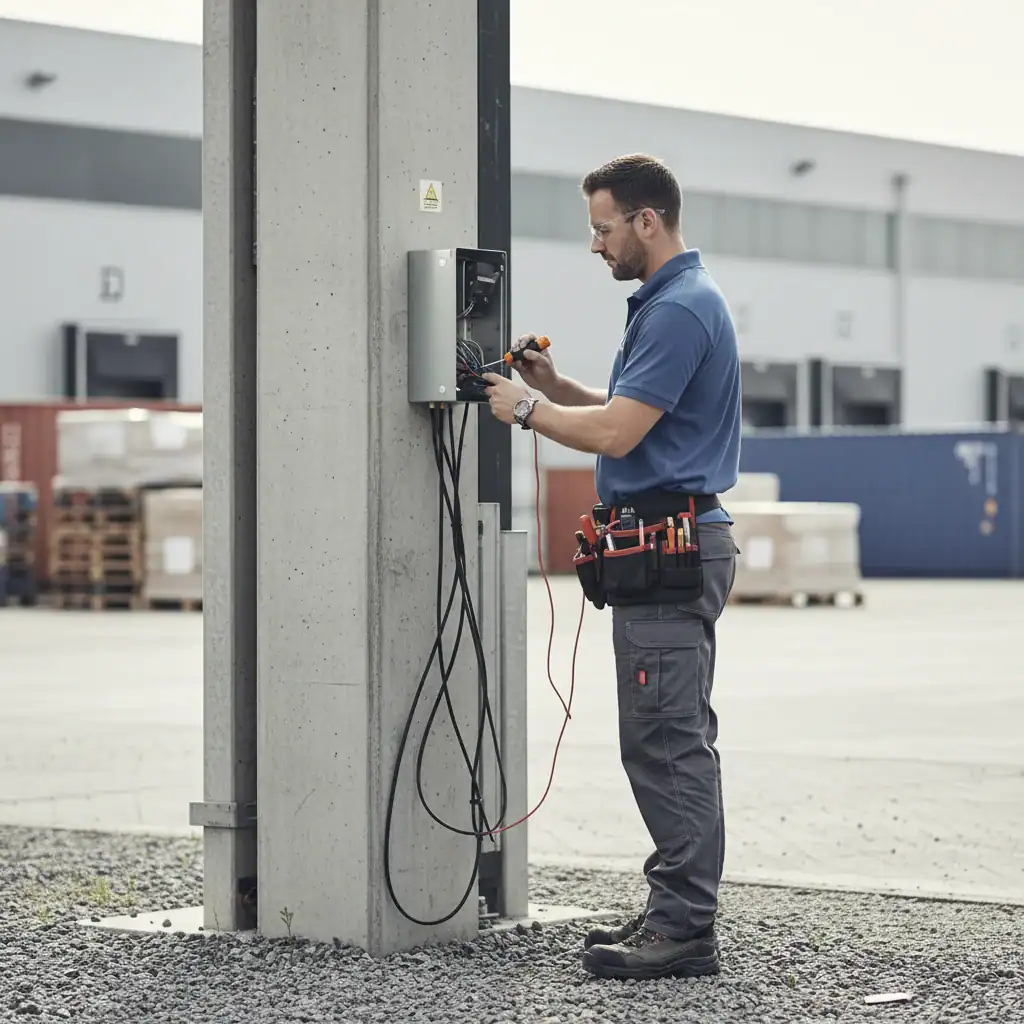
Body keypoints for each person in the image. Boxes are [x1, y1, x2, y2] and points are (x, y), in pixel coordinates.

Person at [484, 153, 741, 981]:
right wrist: (553, 384)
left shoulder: (677, 311)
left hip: (671, 546)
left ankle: (683, 928)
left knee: (666, 745)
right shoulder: (673, 303)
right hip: (672, 542)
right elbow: (634, 415)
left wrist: (526, 409)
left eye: (603, 229)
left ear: (646, 221)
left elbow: (617, 437)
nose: (595, 245)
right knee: (671, 737)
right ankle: (677, 910)